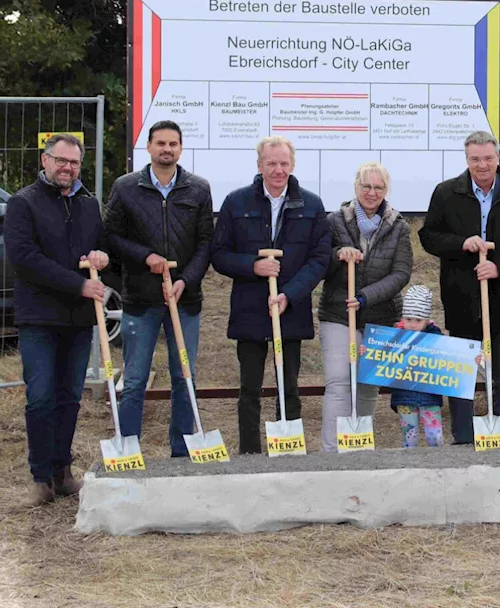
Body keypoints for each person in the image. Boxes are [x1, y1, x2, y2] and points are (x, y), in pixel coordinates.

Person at [419, 130, 500, 443]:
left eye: (488, 158)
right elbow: (429, 236)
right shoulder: (447, 193)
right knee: (462, 376)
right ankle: (463, 437)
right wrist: (462, 243)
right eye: (475, 159)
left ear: (497, 158)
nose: (482, 165)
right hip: (462, 299)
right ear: (467, 159)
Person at [4, 134, 109, 506]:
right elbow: (24, 258)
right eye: (61, 161)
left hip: (78, 321)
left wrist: (101, 257)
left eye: (74, 163)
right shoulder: (23, 203)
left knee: (69, 398)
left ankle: (63, 473)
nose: (67, 168)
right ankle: (40, 477)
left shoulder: (88, 204)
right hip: (39, 317)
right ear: (45, 161)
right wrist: (78, 285)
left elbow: (102, 246)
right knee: (41, 397)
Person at [210, 136, 332, 454]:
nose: (278, 170)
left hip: (290, 308)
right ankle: (249, 454)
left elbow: (319, 259)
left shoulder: (311, 204)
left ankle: (287, 452)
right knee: (249, 388)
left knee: (288, 386)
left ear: (292, 165)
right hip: (250, 307)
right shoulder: (236, 203)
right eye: (271, 163)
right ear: (259, 165)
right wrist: (253, 266)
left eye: (283, 164)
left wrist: (289, 295)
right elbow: (219, 255)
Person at [102, 120, 214, 457]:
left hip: (185, 300)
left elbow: (206, 243)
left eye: (173, 144)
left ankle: (181, 450)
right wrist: (145, 256)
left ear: (180, 148)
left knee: (184, 377)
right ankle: (128, 450)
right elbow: (113, 237)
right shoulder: (125, 188)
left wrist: (186, 280)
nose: (167, 149)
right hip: (140, 299)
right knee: (134, 380)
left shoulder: (198, 188)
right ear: (148, 147)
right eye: (160, 143)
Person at [316, 162, 412, 452]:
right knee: (339, 382)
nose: (372, 193)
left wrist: (366, 296)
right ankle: (331, 452)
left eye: (378, 187)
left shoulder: (398, 226)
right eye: (366, 186)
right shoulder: (335, 221)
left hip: (380, 316)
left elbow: (401, 273)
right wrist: (337, 254)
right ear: (356, 187)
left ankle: (358, 447)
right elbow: (318, 261)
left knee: (368, 384)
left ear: (386, 190)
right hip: (338, 314)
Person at [391, 285, 446, 448]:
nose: (412, 325)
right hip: (404, 396)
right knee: (409, 438)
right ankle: (409, 468)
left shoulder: (436, 337)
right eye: (408, 319)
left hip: (430, 396)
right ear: (402, 318)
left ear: (427, 320)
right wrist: (368, 351)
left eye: (418, 320)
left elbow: (452, 357)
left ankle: (437, 467)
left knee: (434, 437)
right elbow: (379, 355)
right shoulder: (394, 337)